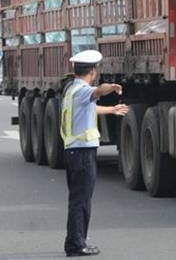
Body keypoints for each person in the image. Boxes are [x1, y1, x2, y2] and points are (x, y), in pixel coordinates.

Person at [61, 50, 129, 257]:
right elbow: (98, 91)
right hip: (82, 152)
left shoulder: (72, 89)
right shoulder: (83, 90)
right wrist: (112, 87)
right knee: (81, 200)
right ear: (92, 71)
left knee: (78, 198)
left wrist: (111, 110)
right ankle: (76, 244)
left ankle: (75, 240)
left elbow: (89, 108)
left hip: (74, 151)